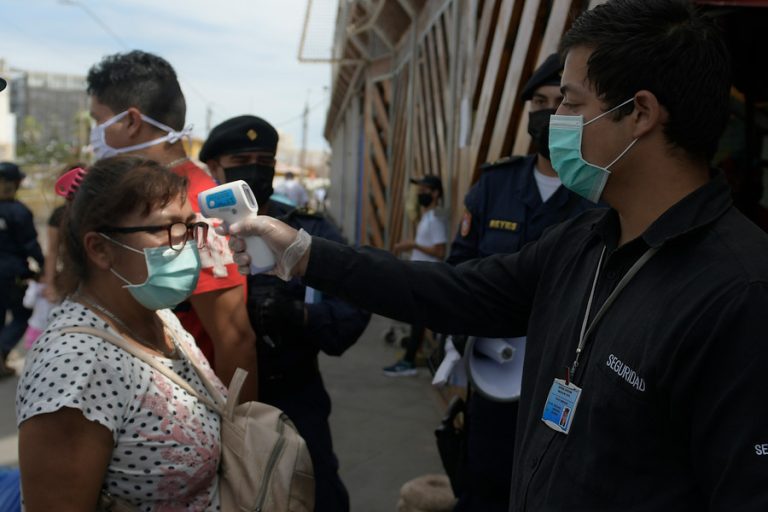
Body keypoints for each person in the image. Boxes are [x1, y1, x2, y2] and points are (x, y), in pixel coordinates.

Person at [225, 1, 768, 510]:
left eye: (571, 102)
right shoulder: (585, 240)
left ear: (640, 113)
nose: (556, 121)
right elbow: (454, 291)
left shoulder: (741, 294)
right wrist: (305, 254)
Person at [16, 156, 224, 510]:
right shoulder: (75, 369)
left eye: (190, 226)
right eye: (166, 228)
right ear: (100, 249)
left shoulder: (157, 316)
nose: (187, 243)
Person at [445, 54, 594, 512]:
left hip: (567, 379)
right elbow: (460, 268)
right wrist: (461, 342)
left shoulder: (598, 193)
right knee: (484, 485)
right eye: (539, 103)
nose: (547, 114)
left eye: (559, 102)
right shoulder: (495, 184)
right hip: (494, 373)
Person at [199, 115, 371, 512]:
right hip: (209, 402)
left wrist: (298, 315)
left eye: (265, 161)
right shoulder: (190, 232)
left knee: (317, 496)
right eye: (242, 160)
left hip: (295, 397)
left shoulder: (306, 229)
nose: (255, 170)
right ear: (214, 168)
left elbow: (352, 310)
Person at [86, 51, 258, 401]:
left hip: (182, 408)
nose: (95, 135)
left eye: (98, 121)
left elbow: (234, 337)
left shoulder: (195, 205)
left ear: (131, 121)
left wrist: (239, 427)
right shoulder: (142, 193)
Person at [383, 174, 448, 376]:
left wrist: (413, 245)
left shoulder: (435, 219)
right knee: (419, 320)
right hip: (422, 275)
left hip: (429, 277)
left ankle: (409, 362)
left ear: (435, 193)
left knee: (419, 321)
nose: (420, 194)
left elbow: (440, 251)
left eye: (425, 190)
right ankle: (412, 359)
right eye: (420, 190)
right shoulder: (426, 217)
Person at [0, 161, 44, 378]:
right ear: (16, 183)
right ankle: (2, 351)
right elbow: (30, 245)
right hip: (13, 273)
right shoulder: (18, 211)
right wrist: (44, 266)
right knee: (23, 314)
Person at [43, 162, 87, 303]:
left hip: (90, 277)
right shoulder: (59, 215)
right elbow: (52, 252)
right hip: (71, 277)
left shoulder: (98, 212)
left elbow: (52, 252)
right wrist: (49, 285)